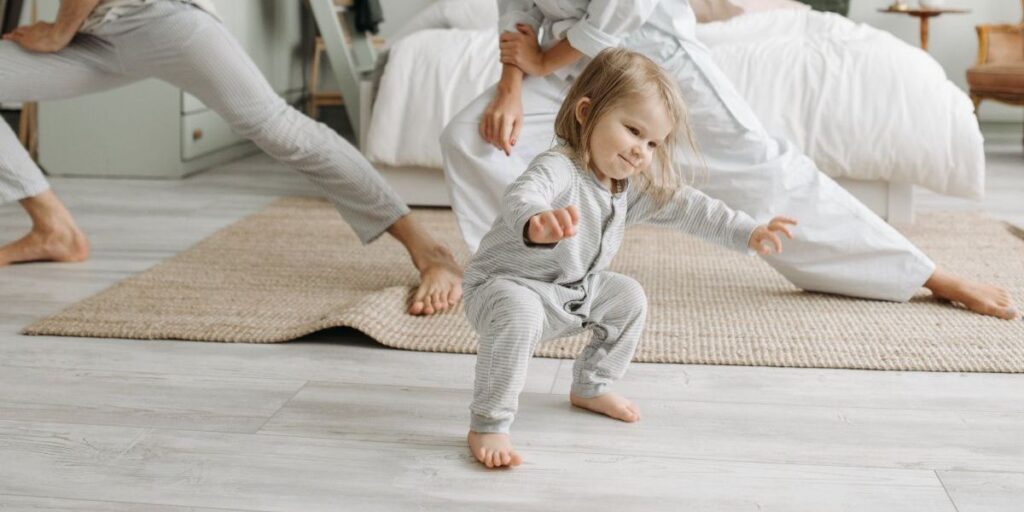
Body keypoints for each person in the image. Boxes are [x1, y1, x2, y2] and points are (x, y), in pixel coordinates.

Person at [441, 0, 1018, 321]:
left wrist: (540, 64)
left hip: (650, 53)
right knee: (474, 137)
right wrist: (513, 86)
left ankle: (925, 273)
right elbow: (517, 16)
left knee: (763, 170)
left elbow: (619, 12)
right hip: (569, 68)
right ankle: (521, 277)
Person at [0, 0, 461, 315]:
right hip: (97, 33)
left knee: (283, 131)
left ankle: (430, 250)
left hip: (160, 17)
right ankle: (53, 228)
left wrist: (59, 32)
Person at [464, 48, 797, 469]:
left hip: (569, 291)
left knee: (628, 297)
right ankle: (489, 423)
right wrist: (536, 221)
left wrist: (747, 231)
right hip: (504, 288)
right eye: (633, 130)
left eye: (653, 142)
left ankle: (591, 385)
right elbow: (523, 193)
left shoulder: (627, 186)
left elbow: (689, 206)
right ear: (586, 112)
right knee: (520, 311)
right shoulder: (560, 168)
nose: (642, 150)